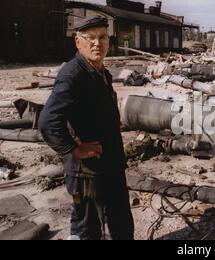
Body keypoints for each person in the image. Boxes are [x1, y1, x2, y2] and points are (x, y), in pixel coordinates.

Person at [38, 16, 134, 240]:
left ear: (109, 41)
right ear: (77, 42)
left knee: (121, 220)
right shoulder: (73, 74)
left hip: (110, 163)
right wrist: (73, 148)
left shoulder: (100, 72)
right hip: (87, 171)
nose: (97, 43)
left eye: (102, 37)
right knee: (87, 229)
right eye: (90, 38)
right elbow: (48, 120)